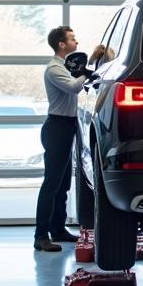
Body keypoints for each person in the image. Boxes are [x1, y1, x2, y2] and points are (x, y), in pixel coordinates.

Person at [34, 27, 104, 252]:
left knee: (63, 184)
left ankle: (58, 229)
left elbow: (80, 77)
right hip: (57, 128)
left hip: (67, 126)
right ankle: (40, 236)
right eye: (72, 38)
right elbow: (74, 87)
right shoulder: (54, 69)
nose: (76, 41)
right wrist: (89, 64)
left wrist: (92, 64)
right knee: (51, 184)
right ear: (62, 45)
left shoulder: (64, 67)